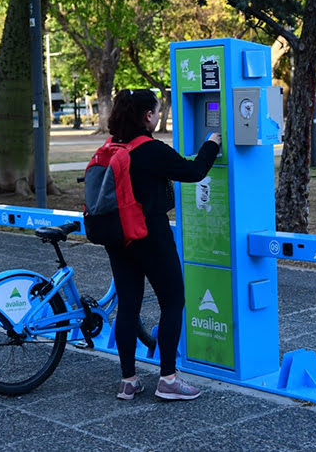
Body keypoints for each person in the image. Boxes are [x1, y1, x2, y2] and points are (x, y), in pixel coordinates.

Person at [104, 89, 221, 401]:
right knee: (172, 302)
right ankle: (168, 379)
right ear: (147, 116)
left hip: (118, 238)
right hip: (150, 236)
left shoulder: (112, 146)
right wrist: (212, 143)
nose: (158, 116)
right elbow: (194, 171)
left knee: (128, 305)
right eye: (156, 112)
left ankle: (128, 381)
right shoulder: (151, 149)